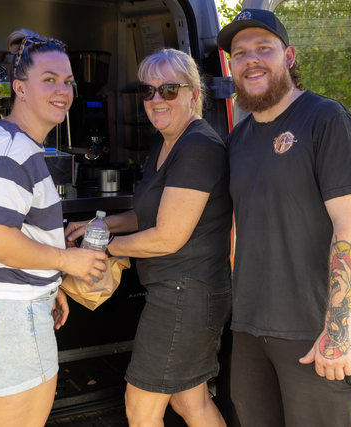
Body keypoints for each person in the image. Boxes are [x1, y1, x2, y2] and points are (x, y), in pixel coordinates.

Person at [0, 29, 108, 427]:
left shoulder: (6, 143)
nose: (62, 90)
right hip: (4, 322)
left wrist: (51, 285)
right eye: (49, 79)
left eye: (68, 81)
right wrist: (67, 261)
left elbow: (12, 235)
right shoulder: (13, 151)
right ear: (19, 88)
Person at [216, 9, 351, 427]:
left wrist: (337, 331)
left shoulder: (326, 119)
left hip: (311, 330)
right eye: (240, 53)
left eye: (263, 48)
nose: (251, 60)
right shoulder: (238, 139)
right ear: (232, 67)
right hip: (249, 327)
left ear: (288, 56)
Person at [65, 48, 232, 427]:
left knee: (140, 410)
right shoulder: (167, 141)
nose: (156, 100)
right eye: (147, 91)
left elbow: (167, 237)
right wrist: (100, 226)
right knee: (191, 402)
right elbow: (151, 214)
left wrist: (102, 248)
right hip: (183, 291)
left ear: (193, 94)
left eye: (169, 90)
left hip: (186, 294)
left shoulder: (199, 147)